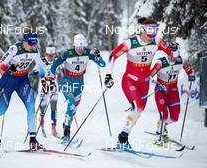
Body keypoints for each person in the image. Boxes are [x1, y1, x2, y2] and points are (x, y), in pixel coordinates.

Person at [104, 17, 170, 150]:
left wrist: (173, 49)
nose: (153, 34)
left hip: (144, 83)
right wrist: (108, 75)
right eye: (150, 30)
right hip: (130, 80)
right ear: (142, 30)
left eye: (156, 30)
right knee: (138, 107)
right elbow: (113, 56)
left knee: (138, 112)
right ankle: (122, 138)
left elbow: (171, 53)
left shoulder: (157, 41)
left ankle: (123, 138)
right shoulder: (130, 43)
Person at [0, 28, 45, 151]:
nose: (32, 46)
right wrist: (10, 68)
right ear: (24, 41)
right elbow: (1, 65)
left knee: (31, 106)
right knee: (2, 109)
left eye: (35, 43)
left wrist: (45, 79)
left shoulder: (35, 51)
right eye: (30, 43)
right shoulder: (15, 49)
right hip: (8, 80)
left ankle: (33, 138)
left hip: (22, 80)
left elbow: (41, 66)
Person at [49, 33, 106, 143]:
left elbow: (102, 64)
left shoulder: (88, 53)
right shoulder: (67, 54)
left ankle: (66, 124)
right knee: (71, 103)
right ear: (74, 45)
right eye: (78, 47)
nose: (80, 49)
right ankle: (67, 133)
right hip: (66, 81)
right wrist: (51, 77)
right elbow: (54, 65)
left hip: (79, 83)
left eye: (82, 47)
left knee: (74, 109)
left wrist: (98, 56)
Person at [150, 42, 195, 144]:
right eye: (171, 57)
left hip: (173, 90)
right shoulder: (160, 63)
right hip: (160, 90)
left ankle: (162, 125)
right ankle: (159, 135)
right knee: (164, 115)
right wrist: (157, 84)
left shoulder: (181, 60)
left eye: (175, 57)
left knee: (175, 118)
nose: (173, 59)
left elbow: (190, 70)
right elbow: (149, 77)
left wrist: (191, 75)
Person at [38, 45, 63, 137]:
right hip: (43, 86)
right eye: (49, 55)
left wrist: (60, 76)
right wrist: (42, 78)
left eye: (52, 55)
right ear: (46, 54)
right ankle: (42, 123)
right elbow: (33, 73)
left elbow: (63, 72)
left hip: (53, 86)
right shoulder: (41, 61)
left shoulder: (58, 61)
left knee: (53, 107)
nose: (51, 57)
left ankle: (53, 128)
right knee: (42, 108)